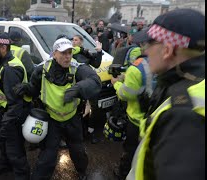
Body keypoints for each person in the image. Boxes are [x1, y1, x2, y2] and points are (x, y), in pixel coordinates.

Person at [126, 8, 205, 180]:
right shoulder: (190, 84)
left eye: (150, 44)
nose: (145, 51)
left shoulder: (182, 114)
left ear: (168, 50)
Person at [15, 38, 102, 180]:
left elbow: (95, 81)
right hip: (52, 120)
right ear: (54, 54)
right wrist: (26, 89)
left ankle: (82, 172)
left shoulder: (77, 68)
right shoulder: (42, 70)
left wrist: (78, 89)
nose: (67, 56)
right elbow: (34, 90)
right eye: (63, 53)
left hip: (72, 118)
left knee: (78, 151)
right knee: (47, 156)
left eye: (69, 52)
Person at [0, 32, 31, 179]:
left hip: (12, 119)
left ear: (3, 47)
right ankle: (2, 170)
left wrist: (5, 125)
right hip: (7, 116)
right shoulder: (3, 63)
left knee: (15, 154)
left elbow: (15, 104)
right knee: (6, 151)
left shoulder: (10, 69)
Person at [110, 29, 154, 179]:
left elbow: (125, 94)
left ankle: (123, 173)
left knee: (130, 150)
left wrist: (116, 83)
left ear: (143, 44)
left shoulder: (136, 68)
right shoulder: (165, 62)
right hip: (154, 118)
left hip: (136, 120)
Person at [71, 34, 103, 144]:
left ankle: (91, 131)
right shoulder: (71, 52)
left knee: (93, 107)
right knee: (80, 108)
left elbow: (97, 64)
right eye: (73, 40)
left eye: (76, 40)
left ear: (81, 42)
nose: (73, 41)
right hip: (78, 84)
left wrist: (99, 52)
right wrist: (82, 50)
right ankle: (80, 132)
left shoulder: (84, 53)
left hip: (89, 82)